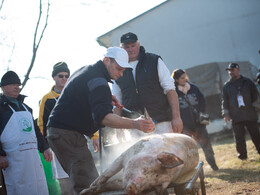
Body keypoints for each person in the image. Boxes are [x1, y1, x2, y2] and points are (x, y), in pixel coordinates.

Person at [46, 47, 155, 194]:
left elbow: (78, 91)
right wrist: (136, 124)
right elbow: (105, 118)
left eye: (123, 70)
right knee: (87, 183)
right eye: (118, 69)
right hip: (67, 133)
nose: (121, 74)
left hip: (60, 131)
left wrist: (105, 97)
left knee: (87, 180)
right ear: (107, 60)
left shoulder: (88, 70)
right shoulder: (98, 81)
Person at [112, 32, 183, 138]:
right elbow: (117, 101)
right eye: (127, 47)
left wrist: (176, 117)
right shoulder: (117, 69)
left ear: (139, 44)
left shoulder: (154, 60)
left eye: (133, 45)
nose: (131, 49)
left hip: (162, 123)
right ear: (121, 48)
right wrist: (117, 127)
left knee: (168, 154)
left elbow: (170, 90)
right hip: (135, 128)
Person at [0, 71, 52, 194]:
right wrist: (0, 155)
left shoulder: (26, 108)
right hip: (12, 160)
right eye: (13, 84)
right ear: (3, 87)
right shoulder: (1, 109)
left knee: (38, 185)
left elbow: (36, 131)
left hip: (32, 158)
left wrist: (44, 148)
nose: (17, 87)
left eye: (18, 84)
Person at [38, 62, 78, 195]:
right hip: (57, 144)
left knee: (80, 177)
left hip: (76, 142)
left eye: (67, 76)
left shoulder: (74, 94)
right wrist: (45, 146)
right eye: (61, 76)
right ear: (54, 77)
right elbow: (41, 124)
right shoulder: (47, 99)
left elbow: (84, 116)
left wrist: (94, 137)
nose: (64, 79)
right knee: (64, 182)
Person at [172, 69, 219, 171]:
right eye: (182, 78)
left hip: (199, 123)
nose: (185, 79)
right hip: (185, 126)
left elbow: (202, 101)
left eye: (185, 77)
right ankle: (190, 170)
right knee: (188, 149)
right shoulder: (174, 92)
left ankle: (213, 165)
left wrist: (202, 112)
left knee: (206, 145)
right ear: (176, 79)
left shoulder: (193, 88)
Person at [222, 62, 260, 160]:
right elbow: (224, 101)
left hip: (250, 113)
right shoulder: (227, 86)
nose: (231, 73)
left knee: (256, 135)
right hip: (236, 115)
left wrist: (256, 107)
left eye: (233, 70)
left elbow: (256, 95)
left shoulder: (248, 82)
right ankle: (242, 155)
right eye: (229, 71)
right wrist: (226, 114)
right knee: (239, 138)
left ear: (238, 70)